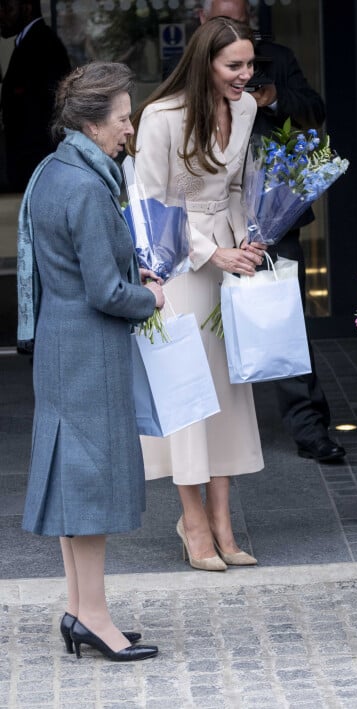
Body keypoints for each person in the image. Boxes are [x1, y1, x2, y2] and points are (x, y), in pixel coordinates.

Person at [17, 61, 164, 661]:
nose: (130, 129)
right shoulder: (86, 185)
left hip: (60, 344)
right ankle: (94, 615)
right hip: (91, 351)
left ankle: (80, 610)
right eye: (124, 119)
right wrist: (150, 295)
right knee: (90, 487)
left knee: (74, 482)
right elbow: (106, 293)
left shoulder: (52, 171)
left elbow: (77, 271)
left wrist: (130, 274)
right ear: (92, 123)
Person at [128, 17, 267, 572]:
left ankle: (224, 523)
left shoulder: (249, 109)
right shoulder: (160, 117)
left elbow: (235, 190)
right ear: (205, 62)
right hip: (178, 265)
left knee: (229, 392)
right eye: (234, 66)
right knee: (187, 395)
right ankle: (193, 523)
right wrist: (211, 253)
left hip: (228, 265)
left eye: (250, 65)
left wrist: (249, 242)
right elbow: (152, 203)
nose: (245, 75)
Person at [200, 0, 346, 464]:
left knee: (286, 318)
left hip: (270, 213)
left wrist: (272, 98)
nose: (235, 29)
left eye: (242, 21)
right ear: (203, 23)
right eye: (225, 20)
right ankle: (204, 425)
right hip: (208, 216)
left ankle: (308, 426)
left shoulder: (276, 59)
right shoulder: (195, 65)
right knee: (201, 320)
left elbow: (313, 110)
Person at [0, 0, 71, 191]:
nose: (2, 15)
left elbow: (51, 110)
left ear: (27, 7)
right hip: (31, 165)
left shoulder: (44, 45)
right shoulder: (29, 42)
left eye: (7, 8)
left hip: (38, 165)